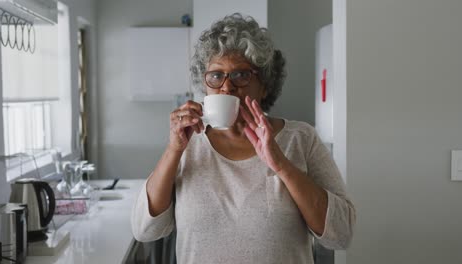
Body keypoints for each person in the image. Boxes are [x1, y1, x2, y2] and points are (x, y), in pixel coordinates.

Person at [131, 13, 355, 264]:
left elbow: (341, 235)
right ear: (204, 84)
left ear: (265, 85)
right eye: (216, 75)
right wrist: (174, 150)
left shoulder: (301, 139)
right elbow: (145, 230)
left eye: (241, 75)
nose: (226, 87)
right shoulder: (187, 142)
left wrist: (281, 164)